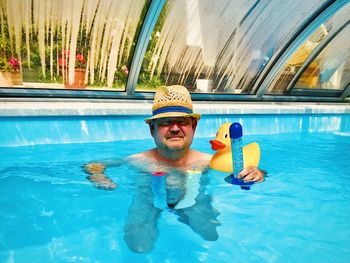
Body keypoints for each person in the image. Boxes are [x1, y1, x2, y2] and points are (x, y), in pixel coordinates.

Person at [83, 85, 264, 252]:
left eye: (182, 122)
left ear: (193, 127)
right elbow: (93, 165)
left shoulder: (208, 161)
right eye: (165, 122)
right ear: (151, 129)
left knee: (210, 234)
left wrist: (257, 173)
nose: (175, 128)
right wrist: (97, 175)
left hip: (194, 200)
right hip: (147, 199)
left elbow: (244, 173)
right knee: (138, 244)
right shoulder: (138, 160)